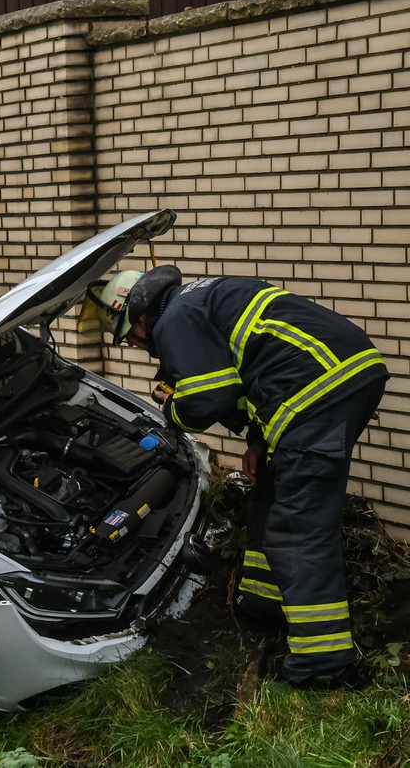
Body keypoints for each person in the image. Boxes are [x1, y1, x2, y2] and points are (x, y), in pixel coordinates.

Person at [87, 266, 388, 690]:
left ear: (137, 317)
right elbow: (256, 366)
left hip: (317, 393)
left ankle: (322, 665)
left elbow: (210, 396)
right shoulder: (197, 299)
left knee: (300, 531)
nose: (139, 348)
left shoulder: (173, 321)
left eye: (131, 339)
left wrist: (171, 408)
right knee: (272, 494)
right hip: (339, 377)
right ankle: (263, 606)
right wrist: (258, 442)